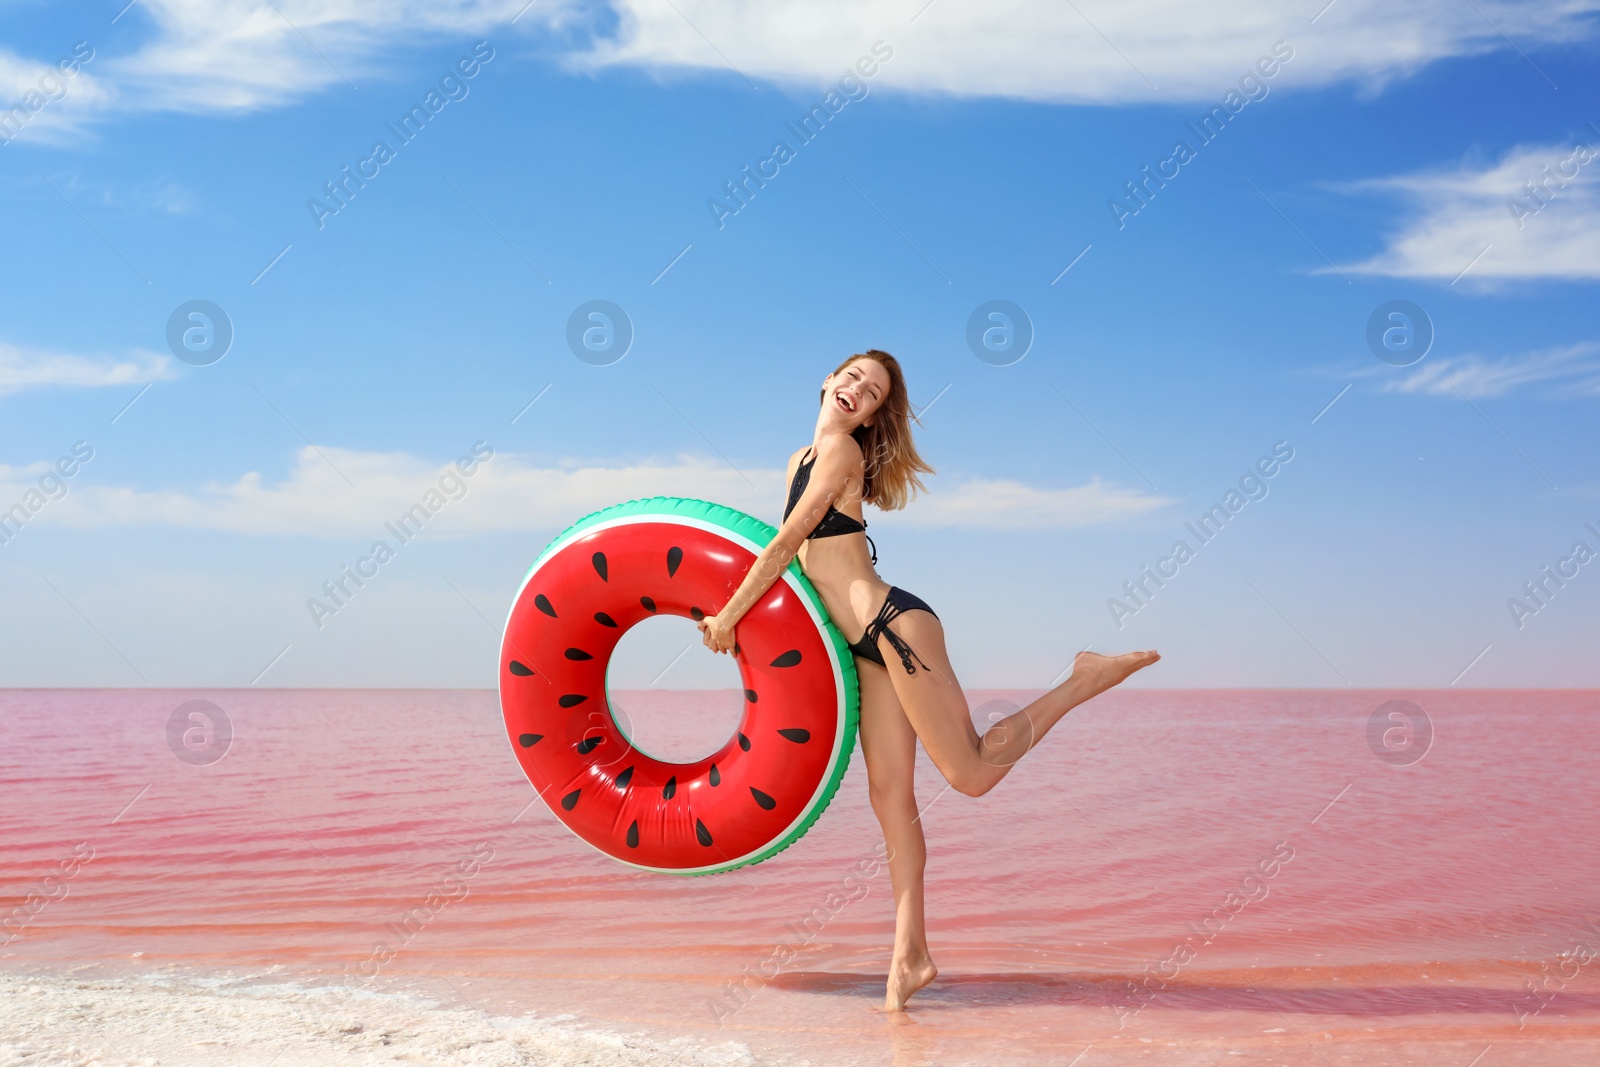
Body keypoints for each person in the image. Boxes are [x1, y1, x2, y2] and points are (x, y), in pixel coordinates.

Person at [697, 349, 1159, 1011]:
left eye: (875, 390)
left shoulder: (841, 457)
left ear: (873, 417)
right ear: (828, 379)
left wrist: (727, 618)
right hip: (861, 649)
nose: (859, 388)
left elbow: (783, 543)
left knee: (969, 774)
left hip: (892, 626)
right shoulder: (800, 458)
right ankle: (909, 955)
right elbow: (800, 565)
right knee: (889, 797)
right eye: (853, 375)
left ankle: (1081, 679)